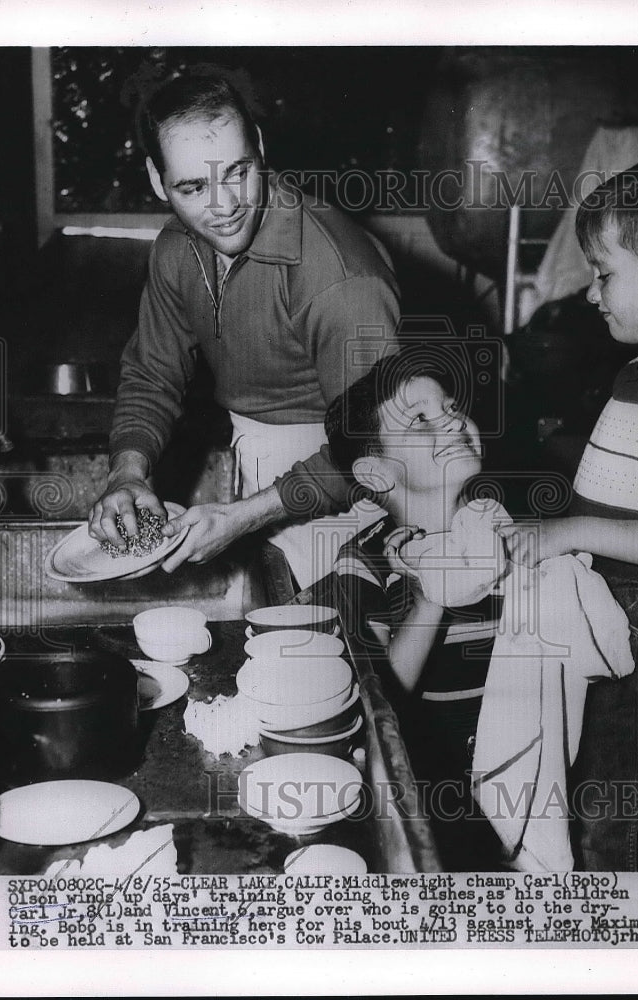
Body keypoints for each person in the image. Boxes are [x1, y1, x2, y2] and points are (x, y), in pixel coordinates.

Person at [89, 69, 399, 588]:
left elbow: (374, 450)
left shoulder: (341, 278)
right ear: (156, 180)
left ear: (260, 146)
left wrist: (244, 516)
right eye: (193, 186)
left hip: (355, 508)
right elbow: (152, 376)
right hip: (257, 482)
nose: (225, 206)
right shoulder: (176, 250)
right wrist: (127, 471)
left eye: (237, 172)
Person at [498, 152, 638, 871]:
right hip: (611, 616)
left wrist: (571, 530)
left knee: (619, 825)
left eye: (604, 273)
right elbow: (634, 477)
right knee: (593, 800)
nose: (590, 293)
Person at [325, 349, 506, 870]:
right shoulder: (366, 564)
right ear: (377, 472)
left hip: (521, 776)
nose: (450, 420)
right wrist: (432, 595)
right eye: (421, 419)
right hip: (438, 798)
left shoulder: (501, 533)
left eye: (449, 406)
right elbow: (380, 696)